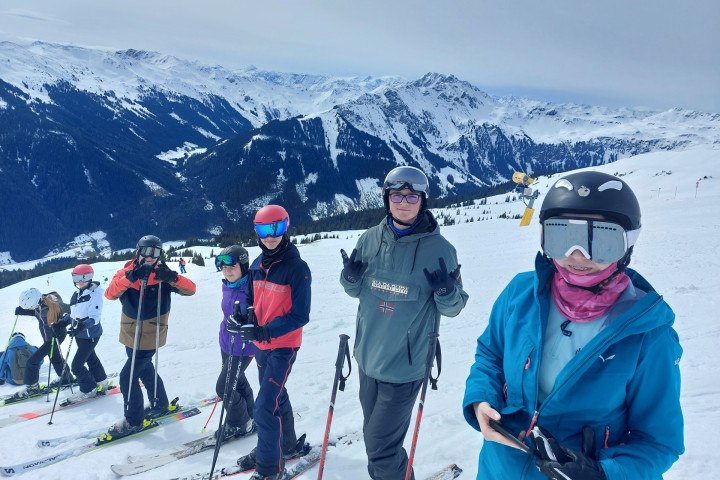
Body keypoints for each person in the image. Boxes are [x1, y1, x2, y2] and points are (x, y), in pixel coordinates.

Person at [462, 171, 684, 480]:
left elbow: (659, 442)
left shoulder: (648, 334)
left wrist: (602, 474)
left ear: (627, 245)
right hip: (499, 467)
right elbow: (490, 355)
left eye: (602, 240)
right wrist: (481, 400)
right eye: (562, 237)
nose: (578, 255)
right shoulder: (520, 294)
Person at [339, 166, 468, 480]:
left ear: (423, 200)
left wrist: (447, 292)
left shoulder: (441, 251)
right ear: (387, 199)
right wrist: (349, 278)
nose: (404, 203)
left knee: (380, 450)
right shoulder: (369, 240)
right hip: (368, 359)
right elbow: (355, 291)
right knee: (376, 440)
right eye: (397, 196)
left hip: (405, 369)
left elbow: (454, 308)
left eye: (412, 196)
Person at [234, 205, 311, 480]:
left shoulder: (297, 268)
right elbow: (251, 301)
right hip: (261, 347)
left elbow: (301, 315)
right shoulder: (257, 265)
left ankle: (270, 470)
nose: (270, 236)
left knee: (264, 406)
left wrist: (264, 332)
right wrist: (242, 319)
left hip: (283, 346)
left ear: (285, 228)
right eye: (263, 230)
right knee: (277, 396)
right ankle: (285, 444)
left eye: (276, 229)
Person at [104, 235, 196, 436]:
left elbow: (191, 290)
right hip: (130, 333)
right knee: (145, 370)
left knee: (127, 377)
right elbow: (110, 294)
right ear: (138, 252)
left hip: (151, 335)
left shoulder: (162, 274)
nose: (150, 257)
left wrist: (172, 277)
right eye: (146, 251)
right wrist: (131, 277)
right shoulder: (126, 273)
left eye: (155, 253)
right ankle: (160, 403)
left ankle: (134, 421)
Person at [213, 245, 256, 442]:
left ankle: (238, 423)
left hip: (243, 347)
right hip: (226, 342)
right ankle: (250, 414)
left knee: (223, 387)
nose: (227, 272)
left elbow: (262, 316)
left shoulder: (252, 289)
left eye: (232, 267)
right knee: (237, 380)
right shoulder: (229, 285)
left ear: (243, 266)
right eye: (223, 268)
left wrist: (245, 321)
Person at [56, 264, 110, 402]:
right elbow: (73, 314)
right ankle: (101, 381)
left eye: (84, 277)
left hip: (90, 335)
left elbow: (94, 318)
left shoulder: (95, 295)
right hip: (79, 335)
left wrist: (82, 326)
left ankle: (88, 388)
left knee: (76, 366)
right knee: (91, 358)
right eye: (77, 278)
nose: (80, 281)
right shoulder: (77, 294)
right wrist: (62, 322)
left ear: (91, 277)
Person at [15, 288, 73, 391]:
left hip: (54, 337)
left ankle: (32, 387)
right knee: (55, 358)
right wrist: (24, 311)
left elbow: (74, 309)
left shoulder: (52, 306)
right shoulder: (41, 303)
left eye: (32, 306)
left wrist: (64, 322)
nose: (33, 308)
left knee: (32, 362)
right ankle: (66, 379)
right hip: (49, 337)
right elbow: (37, 312)